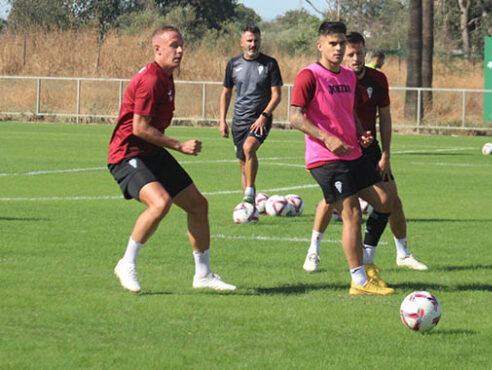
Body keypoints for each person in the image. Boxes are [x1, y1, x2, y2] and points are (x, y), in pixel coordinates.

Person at [108, 26, 236, 292]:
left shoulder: (166, 77)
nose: (180, 51)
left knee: (198, 205)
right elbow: (139, 128)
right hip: (127, 154)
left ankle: (203, 275)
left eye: (182, 45)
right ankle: (127, 263)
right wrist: (179, 145)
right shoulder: (151, 80)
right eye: (174, 46)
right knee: (160, 203)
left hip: (150, 152)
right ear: (158, 49)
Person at [302, 32, 427, 273]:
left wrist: (386, 153)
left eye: (359, 53)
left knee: (392, 200)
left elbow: (386, 117)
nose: (355, 57)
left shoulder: (377, 79)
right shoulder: (334, 78)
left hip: (370, 149)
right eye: (351, 53)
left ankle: (400, 253)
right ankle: (313, 251)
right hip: (341, 150)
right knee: (332, 202)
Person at [289, 21, 394, 296]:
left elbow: (350, 112)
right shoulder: (308, 76)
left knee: (385, 202)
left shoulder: (348, 76)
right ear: (320, 45)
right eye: (332, 44)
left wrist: (361, 132)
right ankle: (359, 281)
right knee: (352, 213)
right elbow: (295, 117)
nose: (338, 49)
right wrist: (326, 138)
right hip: (324, 157)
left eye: (341, 44)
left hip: (353, 153)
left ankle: (367, 263)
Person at [219, 25, 283, 204]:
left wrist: (264, 116)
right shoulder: (233, 64)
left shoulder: (270, 64)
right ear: (242, 42)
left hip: (260, 119)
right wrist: (222, 120)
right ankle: (249, 205)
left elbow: (277, 95)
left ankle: (250, 190)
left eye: (256, 40)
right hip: (239, 120)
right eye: (249, 40)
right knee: (242, 165)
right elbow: (226, 93)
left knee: (249, 148)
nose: (253, 44)